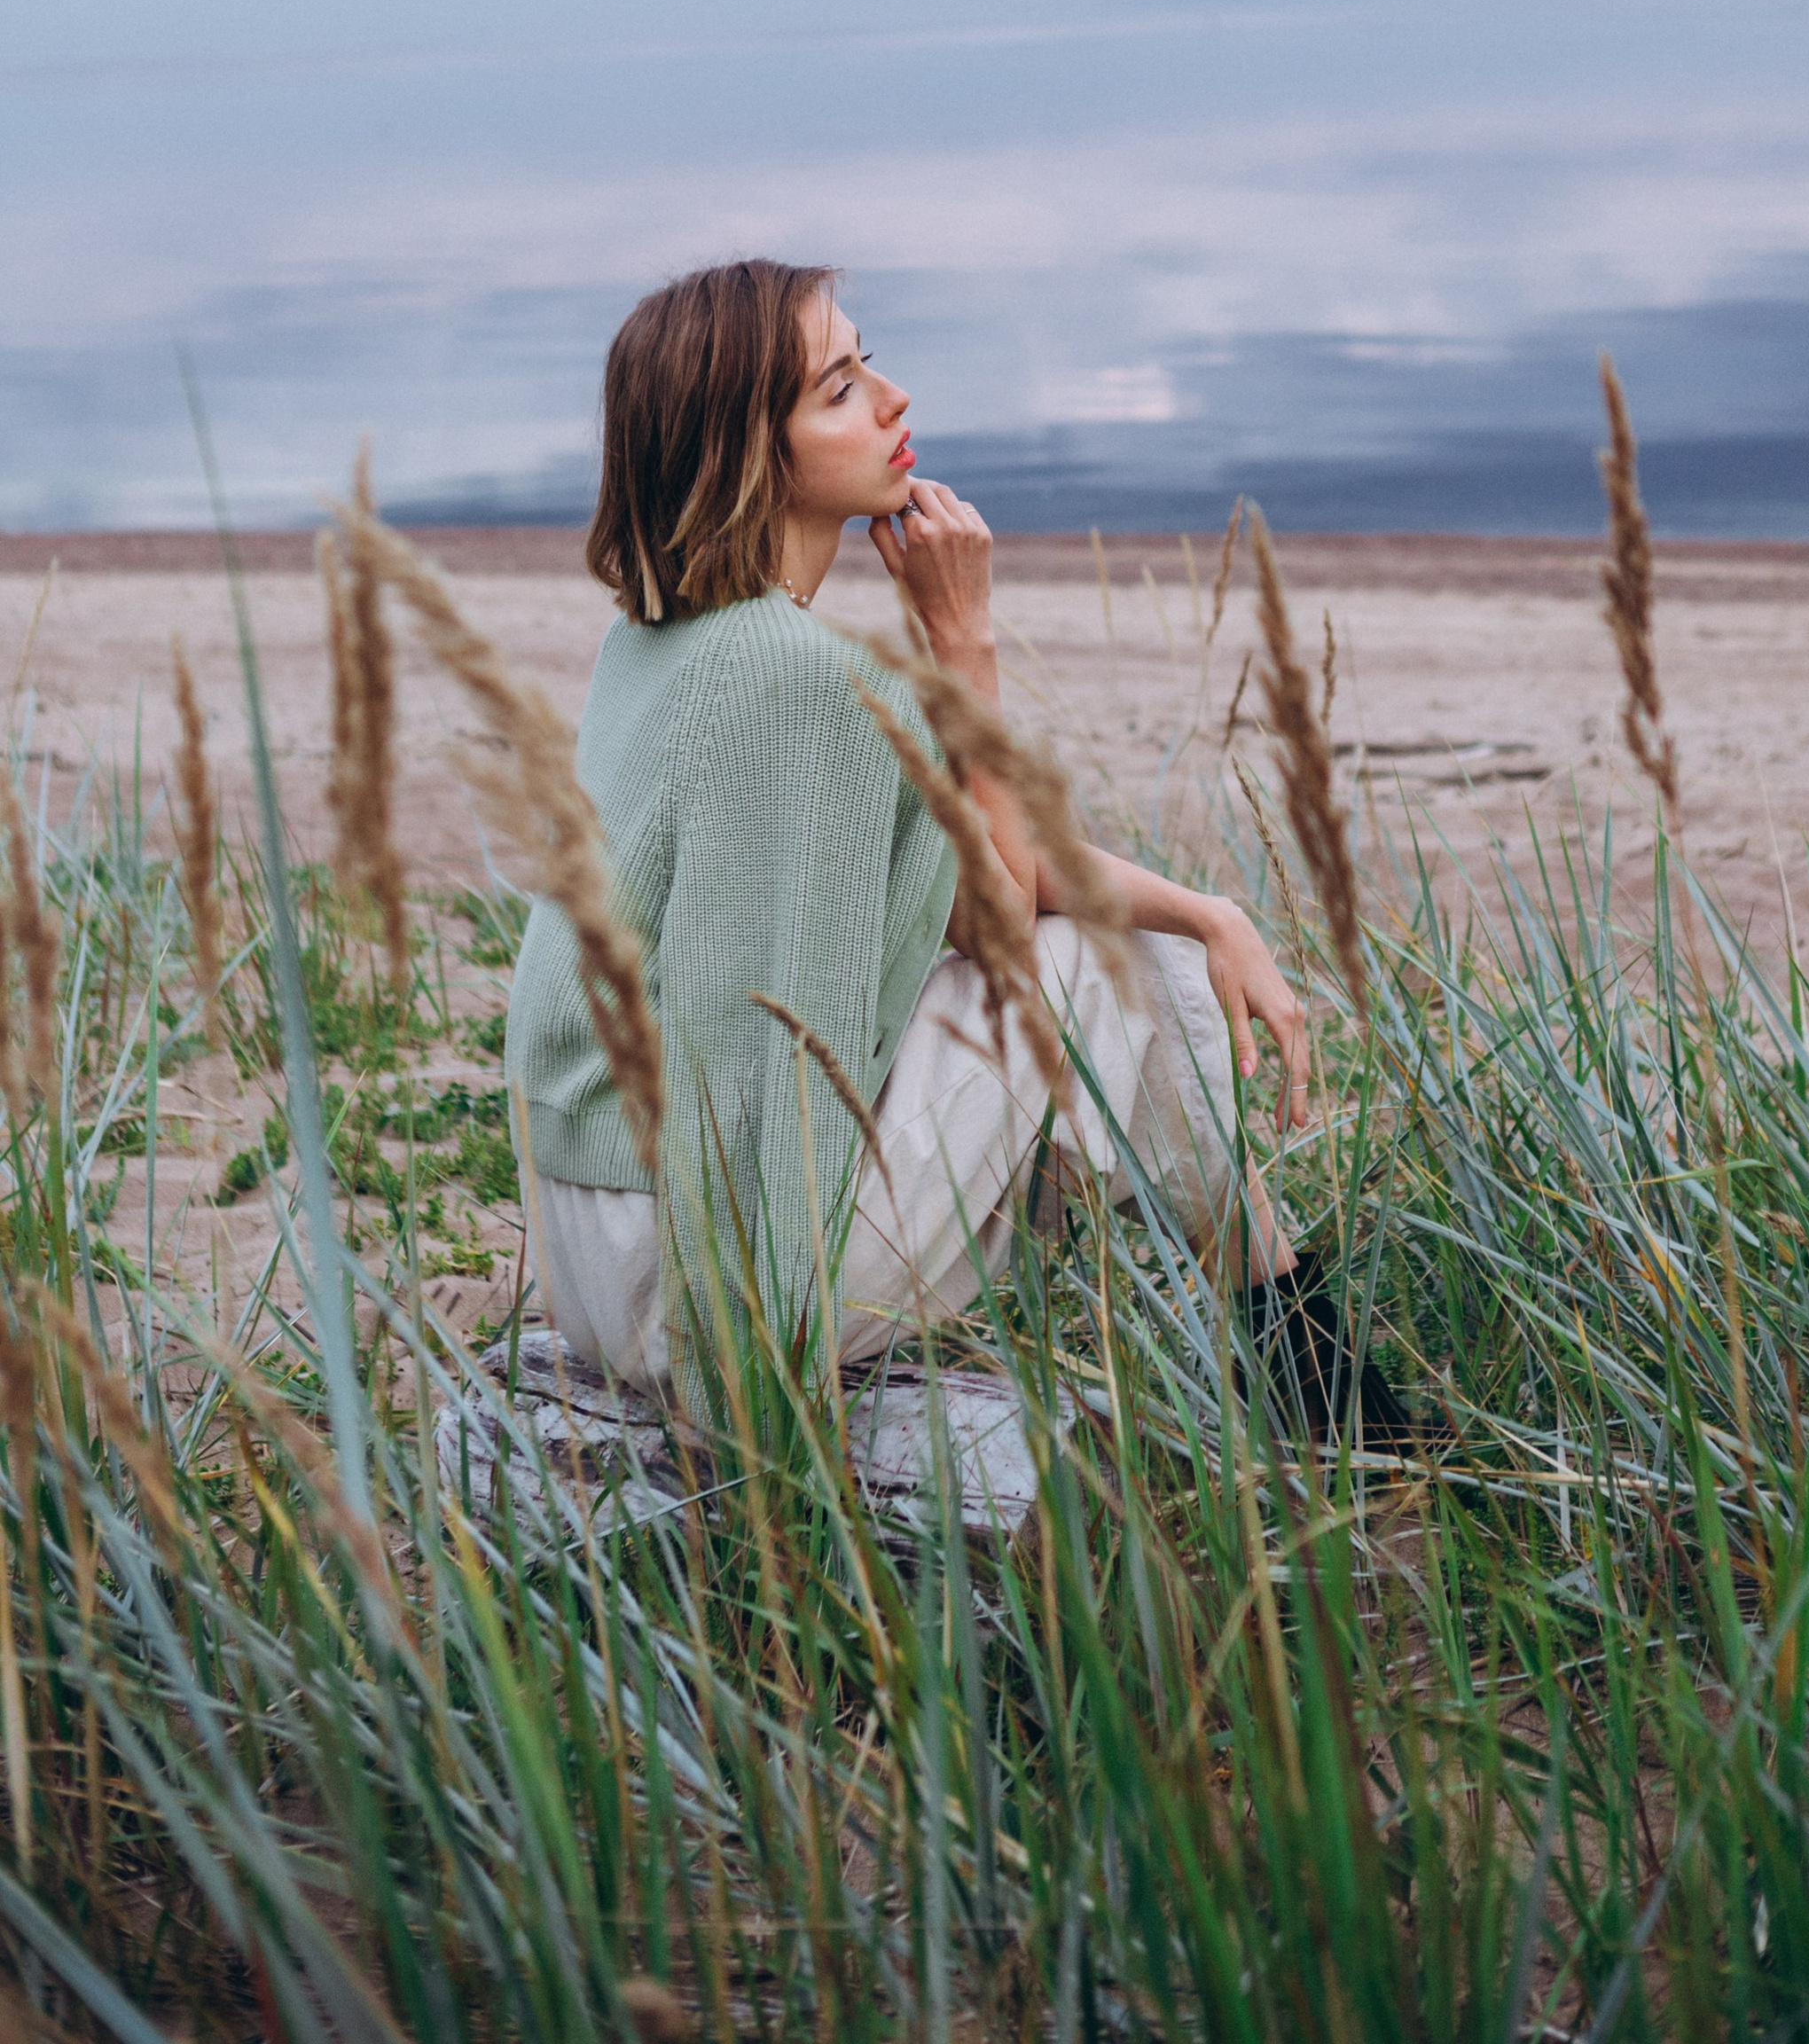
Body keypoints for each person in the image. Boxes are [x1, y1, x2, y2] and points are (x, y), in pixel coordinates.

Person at [505, 255, 1408, 1431]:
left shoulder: (662, 641)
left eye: (866, 360)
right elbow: (946, 946)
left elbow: (971, 892)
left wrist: (1207, 910)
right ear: (744, 451)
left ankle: (1314, 1380)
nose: (893, 399)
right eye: (839, 389)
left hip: (598, 1241)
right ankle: (1325, 1397)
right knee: (1133, 982)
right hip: (699, 1286)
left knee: (1152, 955)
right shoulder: (800, 683)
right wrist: (963, 641)